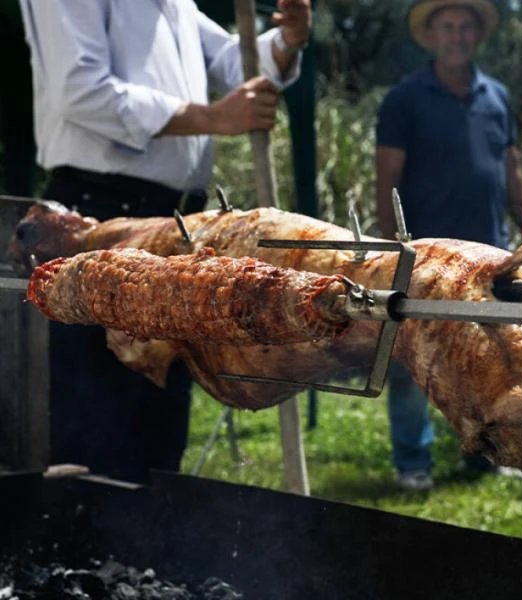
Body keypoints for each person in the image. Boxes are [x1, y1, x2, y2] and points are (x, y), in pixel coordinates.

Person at [17, 0, 312, 483]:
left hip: (173, 219)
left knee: (157, 411)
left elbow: (235, 62)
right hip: (99, 210)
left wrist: (286, 42)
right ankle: (77, 550)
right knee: (93, 426)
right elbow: (79, 89)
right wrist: (213, 118)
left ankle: (145, 551)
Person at [375, 0, 522, 491]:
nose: (457, 36)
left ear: (478, 35)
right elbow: (387, 175)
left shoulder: (497, 97)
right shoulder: (405, 99)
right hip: (426, 256)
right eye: (446, 27)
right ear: (430, 37)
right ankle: (413, 461)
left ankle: (487, 451)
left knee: (490, 358)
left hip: (490, 252)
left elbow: (510, 167)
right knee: (414, 360)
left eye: (465, 27)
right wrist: (394, 248)